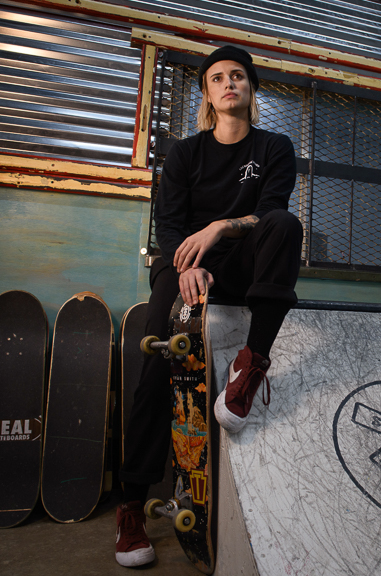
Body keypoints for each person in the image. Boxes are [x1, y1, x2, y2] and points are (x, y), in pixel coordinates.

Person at [115, 45, 302, 568]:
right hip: (184, 268)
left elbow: (271, 216)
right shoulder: (184, 154)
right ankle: (131, 503)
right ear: (207, 93)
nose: (228, 84)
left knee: (287, 227)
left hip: (241, 266)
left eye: (238, 76)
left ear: (251, 87)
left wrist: (220, 225)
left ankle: (250, 365)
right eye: (217, 77)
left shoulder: (274, 148)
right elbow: (170, 228)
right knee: (157, 363)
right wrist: (182, 268)